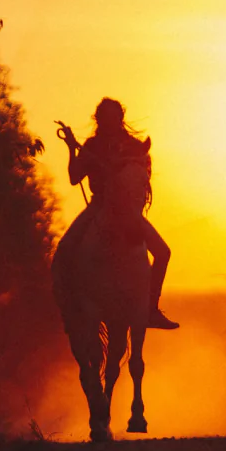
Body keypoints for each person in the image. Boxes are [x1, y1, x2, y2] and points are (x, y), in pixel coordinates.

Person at [53, 97, 179, 330]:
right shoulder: (91, 146)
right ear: (98, 120)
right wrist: (72, 147)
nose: (107, 123)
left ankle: (151, 308)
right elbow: (74, 177)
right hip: (97, 207)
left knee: (163, 252)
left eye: (111, 118)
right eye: (103, 119)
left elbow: (143, 177)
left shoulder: (133, 146)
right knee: (65, 249)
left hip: (127, 211)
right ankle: (71, 303)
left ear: (119, 119)